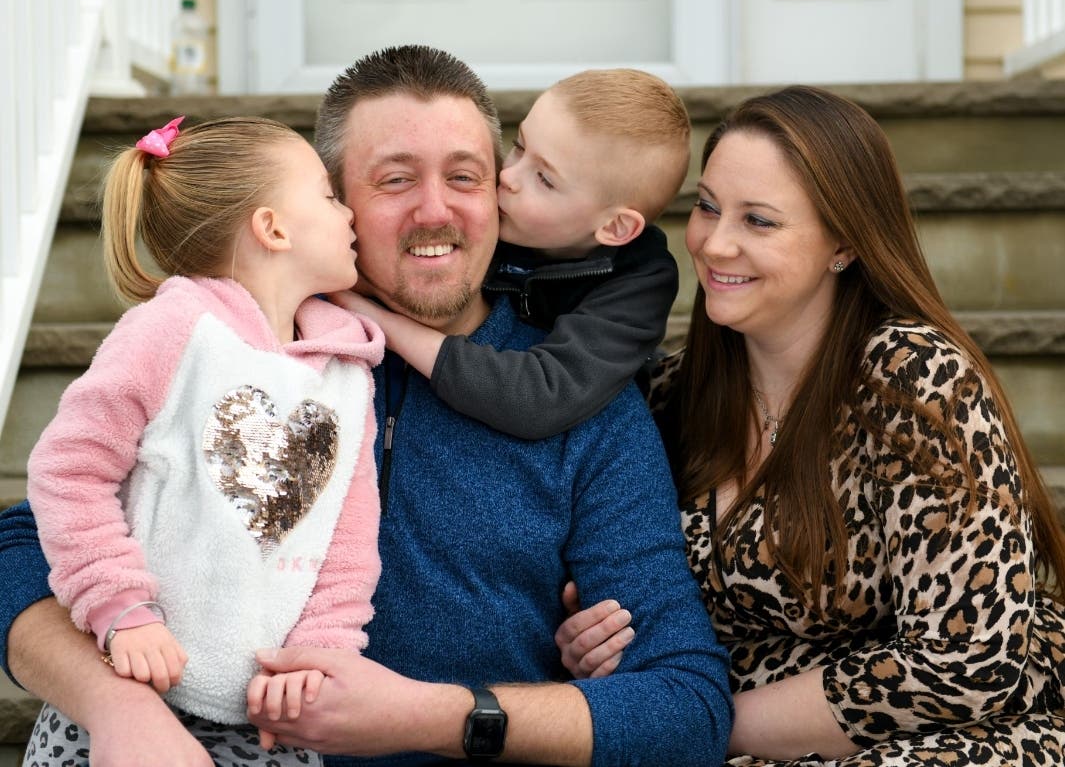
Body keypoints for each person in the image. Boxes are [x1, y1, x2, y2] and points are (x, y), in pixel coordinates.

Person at [0, 46, 732, 767]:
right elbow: (27, 544)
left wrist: (437, 716)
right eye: (394, 180)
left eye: (466, 177)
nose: (435, 210)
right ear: (329, 203)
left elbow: (688, 704)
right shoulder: (244, 350)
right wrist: (117, 706)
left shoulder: (580, 401)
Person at [555, 85, 1065, 765]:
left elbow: (967, 660)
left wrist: (683, 720)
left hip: (957, 739)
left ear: (843, 246)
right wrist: (588, 637)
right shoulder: (671, 396)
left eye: (759, 221)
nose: (714, 243)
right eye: (706, 207)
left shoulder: (913, 377)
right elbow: (635, 615)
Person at [18, 116, 385, 766]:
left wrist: (321, 653)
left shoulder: (346, 376)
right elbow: (66, 470)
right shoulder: (172, 331)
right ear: (273, 228)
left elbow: (348, 540)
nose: (348, 211)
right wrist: (121, 605)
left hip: (275, 723)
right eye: (328, 196)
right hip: (132, 702)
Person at [333, 67, 686, 439]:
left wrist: (373, 318)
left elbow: (538, 399)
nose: (509, 177)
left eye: (545, 179)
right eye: (519, 146)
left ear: (615, 227)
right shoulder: (509, 214)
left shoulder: (640, 283)